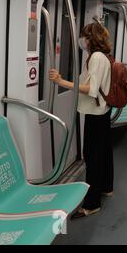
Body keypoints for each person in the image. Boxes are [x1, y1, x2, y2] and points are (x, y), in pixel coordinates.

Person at [49, 20, 113, 218]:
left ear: (90, 39)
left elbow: (91, 89)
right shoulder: (102, 56)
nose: (81, 40)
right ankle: (106, 187)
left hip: (95, 112)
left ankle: (92, 203)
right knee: (104, 152)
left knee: (92, 156)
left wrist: (61, 82)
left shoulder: (95, 57)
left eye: (84, 36)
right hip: (103, 110)